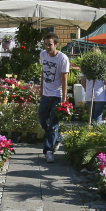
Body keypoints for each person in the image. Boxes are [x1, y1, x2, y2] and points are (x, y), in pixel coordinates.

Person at [37, 33, 70, 163]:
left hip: (57, 95)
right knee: (42, 119)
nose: (47, 47)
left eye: (50, 44)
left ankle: (49, 151)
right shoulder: (43, 54)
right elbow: (43, 72)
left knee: (52, 123)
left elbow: (64, 79)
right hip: (46, 94)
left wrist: (64, 98)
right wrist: (41, 88)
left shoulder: (63, 58)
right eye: (45, 44)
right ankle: (57, 137)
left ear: (56, 44)